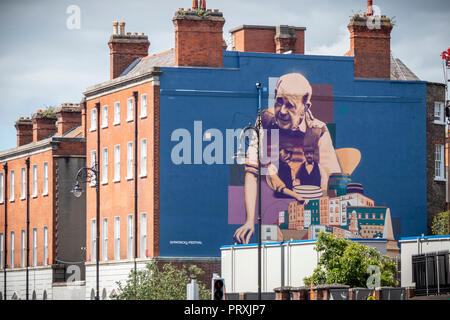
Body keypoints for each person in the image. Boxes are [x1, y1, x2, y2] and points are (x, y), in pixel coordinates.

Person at [233, 73, 341, 244]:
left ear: (305, 108)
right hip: (275, 211)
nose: (282, 111)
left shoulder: (318, 131)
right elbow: (251, 172)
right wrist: (249, 221)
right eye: (279, 102)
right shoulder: (264, 122)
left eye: (290, 106)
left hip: (310, 215)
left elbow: (334, 183)